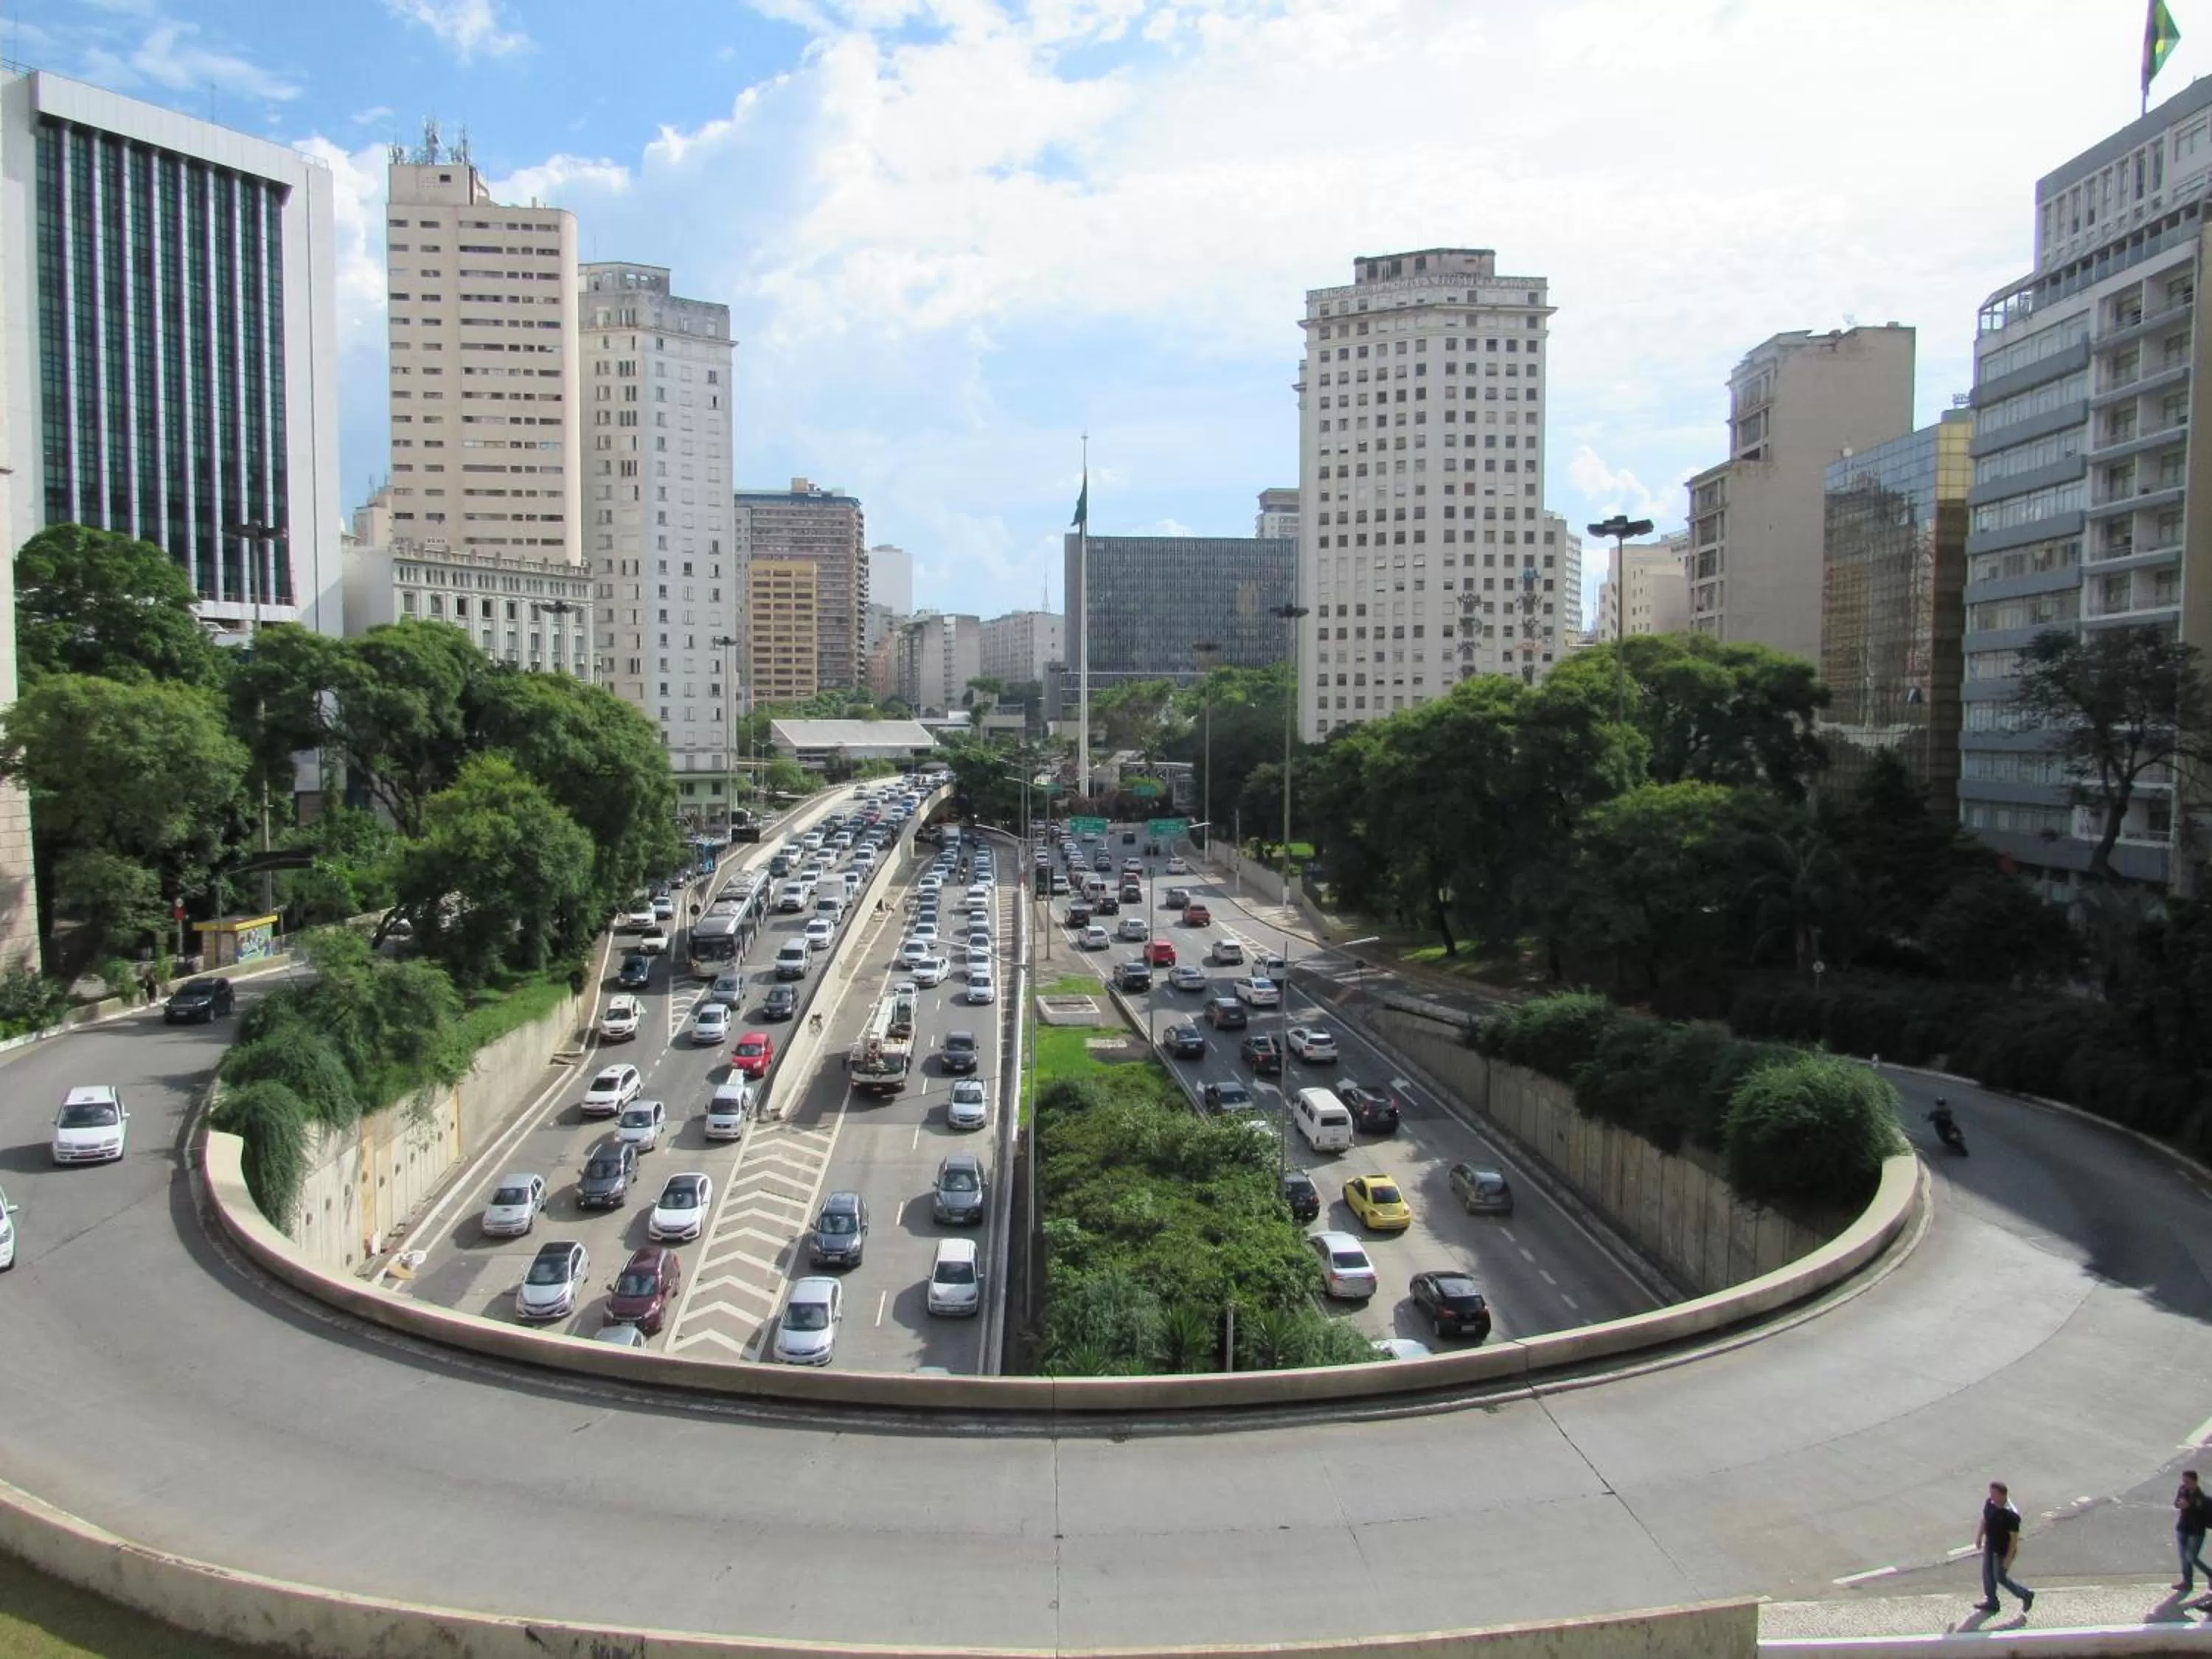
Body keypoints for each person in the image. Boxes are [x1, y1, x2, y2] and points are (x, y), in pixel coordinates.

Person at [1975, 1481, 2034, 1615]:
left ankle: (2025, 1594)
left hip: (2003, 1550)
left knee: (2000, 1577)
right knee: (1987, 1574)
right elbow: (1985, 1520)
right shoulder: (1990, 1503)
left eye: (1994, 1494)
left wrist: (2008, 1558)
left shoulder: (2011, 1514)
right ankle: (1992, 1601)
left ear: (2003, 1495)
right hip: (1991, 1544)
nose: (1992, 1497)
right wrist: (1979, 1537)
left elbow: (2014, 1539)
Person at [2174, 1469, 2211, 1594]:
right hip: (2182, 1528)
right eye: (2184, 1481)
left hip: (2196, 1532)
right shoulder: (2182, 1490)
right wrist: (2179, 1504)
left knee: (2191, 1557)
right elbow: (2176, 1503)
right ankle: (2187, 1582)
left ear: (2195, 1482)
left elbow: (2203, 1516)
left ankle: (2210, 1574)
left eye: (2188, 1481)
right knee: (2184, 1558)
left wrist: (2189, 1507)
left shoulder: (2202, 1498)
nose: (2185, 1484)